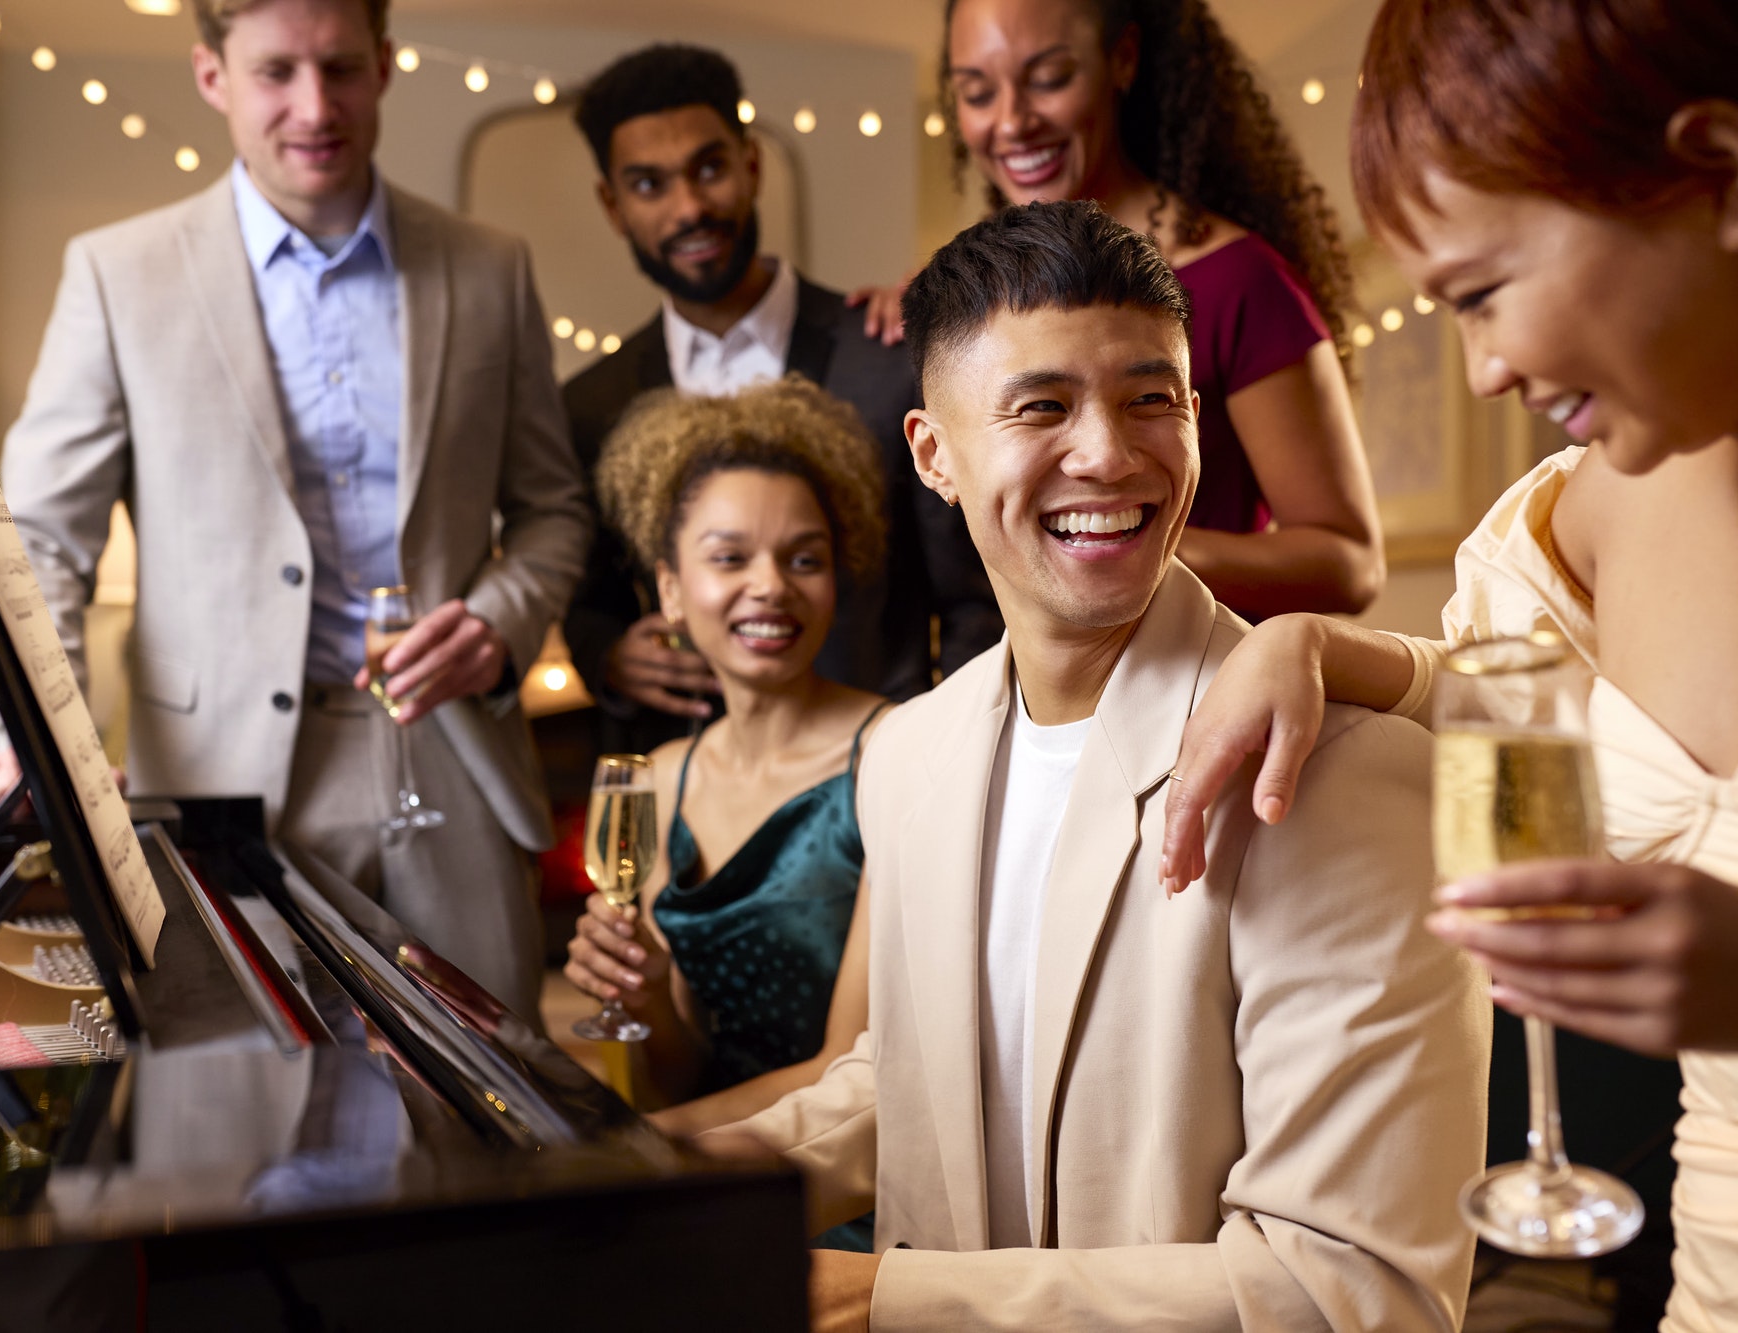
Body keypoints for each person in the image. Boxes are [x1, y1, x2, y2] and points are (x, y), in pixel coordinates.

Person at [704, 201, 1488, 1330]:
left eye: (1146, 400)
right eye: (1040, 407)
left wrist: (878, 1301)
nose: (1107, 454)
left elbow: (1349, 1290)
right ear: (933, 453)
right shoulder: (908, 753)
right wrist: (646, 1184)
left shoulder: (1346, 776)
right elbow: (920, 1073)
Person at [1158, 3, 1738, 1327]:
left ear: (1720, 171)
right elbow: (1517, 687)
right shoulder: (1596, 509)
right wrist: (1325, 647)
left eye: (1483, 295)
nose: (1482, 371)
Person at [0, 0, 592, 1027]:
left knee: (496, 1124)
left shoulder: (489, 264)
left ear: (384, 65)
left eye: (339, 67)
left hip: (452, 766)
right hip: (214, 783)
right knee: (229, 1134)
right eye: (275, 72)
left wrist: (499, 623)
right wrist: (35, 733)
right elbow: (35, 544)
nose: (314, 105)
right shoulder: (119, 275)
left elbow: (554, 508)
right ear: (212, 76)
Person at [851, 0, 1383, 619]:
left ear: (1123, 60)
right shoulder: (967, 296)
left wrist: (1109, 532)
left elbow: (1349, 565)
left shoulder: (1240, 280)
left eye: (1049, 80)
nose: (1011, 122)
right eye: (976, 93)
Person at [562, 44, 1001, 757]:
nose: (690, 207)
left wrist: (951, 758)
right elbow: (587, 605)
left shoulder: (888, 355)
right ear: (613, 206)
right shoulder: (591, 403)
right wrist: (606, 654)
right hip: (687, 781)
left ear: (751, 165)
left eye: (710, 168)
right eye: (649, 185)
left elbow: (972, 600)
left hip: (880, 767)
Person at [561, 379, 882, 1152]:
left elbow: (851, 1076)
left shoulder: (892, 753)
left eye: (804, 558)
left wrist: (631, 1149)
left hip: (842, 1179)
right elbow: (674, 1074)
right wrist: (644, 1000)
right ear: (670, 590)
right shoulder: (658, 778)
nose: (770, 584)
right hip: (697, 1166)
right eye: (729, 557)